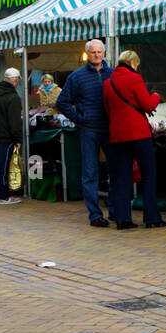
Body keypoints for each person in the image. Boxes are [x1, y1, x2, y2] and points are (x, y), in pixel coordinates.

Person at [103, 50, 166, 230]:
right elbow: (147, 105)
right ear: (132, 63)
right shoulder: (135, 79)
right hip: (138, 134)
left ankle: (123, 219)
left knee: (122, 177)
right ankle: (152, 218)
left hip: (117, 135)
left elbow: (108, 111)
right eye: (137, 65)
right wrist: (156, 96)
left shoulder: (107, 83)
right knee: (148, 174)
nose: (137, 68)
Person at [55, 40, 116, 227]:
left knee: (115, 170)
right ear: (87, 53)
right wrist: (78, 118)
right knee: (90, 172)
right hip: (88, 129)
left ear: (104, 53)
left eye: (99, 52)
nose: (97, 55)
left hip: (110, 128)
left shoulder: (113, 74)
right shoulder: (77, 77)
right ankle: (95, 215)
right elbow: (62, 102)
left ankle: (115, 210)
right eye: (93, 52)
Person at [0, 68, 24, 206]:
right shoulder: (12, 97)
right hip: (5, 137)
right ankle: (3, 196)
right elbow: (14, 122)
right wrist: (17, 139)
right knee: (2, 167)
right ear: (16, 80)